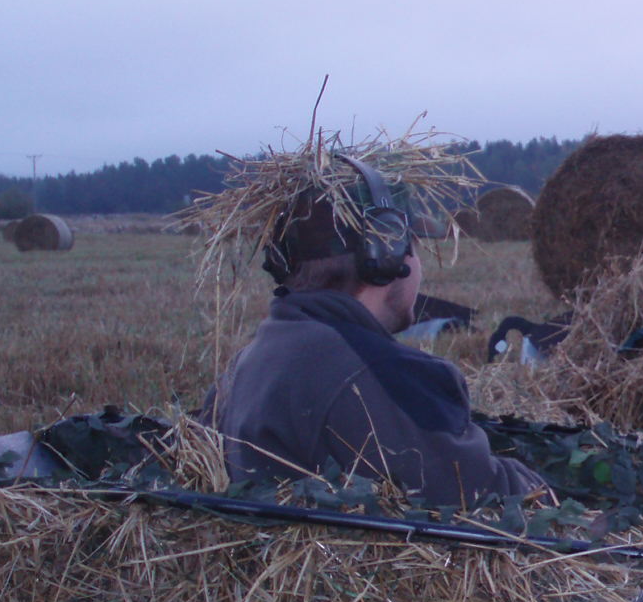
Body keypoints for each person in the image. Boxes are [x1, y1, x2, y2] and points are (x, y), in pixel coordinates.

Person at [202, 155, 546, 507]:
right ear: (386, 255)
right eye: (414, 247)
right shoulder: (384, 374)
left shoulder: (246, 363)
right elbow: (486, 498)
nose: (419, 265)